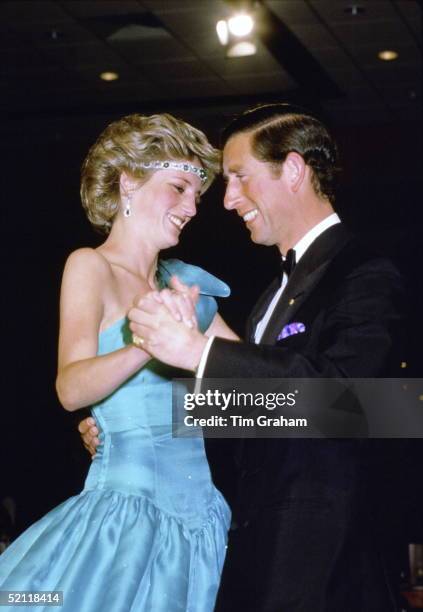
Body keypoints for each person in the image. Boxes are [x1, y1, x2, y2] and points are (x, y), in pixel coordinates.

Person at [95, 104, 403, 611]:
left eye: (239, 177)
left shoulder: (363, 271)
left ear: (294, 170)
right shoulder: (270, 295)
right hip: (256, 543)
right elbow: (266, 412)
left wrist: (199, 351)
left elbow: (358, 404)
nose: (228, 199)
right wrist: (133, 423)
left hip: (321, 559)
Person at [0, 113, 239, 611]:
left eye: (197, 194)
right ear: (129, 182)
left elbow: (265, 394)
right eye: (178, 187)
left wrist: (387, 408)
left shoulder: (184, 287)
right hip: (125, 523)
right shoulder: (91, 266)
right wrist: (147, 345)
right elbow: (71, 387)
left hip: (203, 525)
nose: (191, 207)